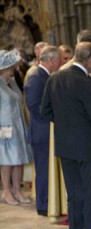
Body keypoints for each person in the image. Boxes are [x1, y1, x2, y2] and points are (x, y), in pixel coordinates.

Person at [40, 42, 91, 229]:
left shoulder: (55, 78)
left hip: (65, 146)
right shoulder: (89, 85)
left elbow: (45, 110)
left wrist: (64, 125)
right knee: (90, 193)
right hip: (87, 147)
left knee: (74, 194)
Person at [24, 45, 61, 216]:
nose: (61, 61)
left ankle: (48, 202)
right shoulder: (36, 78)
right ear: (52, 60)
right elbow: (33, 105)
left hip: (47, 131)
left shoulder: (45, 76)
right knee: (44, 170)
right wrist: (52, 115)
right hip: (42, 132)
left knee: (47, 170)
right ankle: (43, 204)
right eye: (59, 58)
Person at [0, 49, 33, 206]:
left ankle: (17, 190)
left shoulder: (12, 82)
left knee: (19, 158)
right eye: (12, 66)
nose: (15, 68)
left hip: (18, 125)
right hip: (4, 128)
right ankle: (6, 191)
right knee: (7, 160)